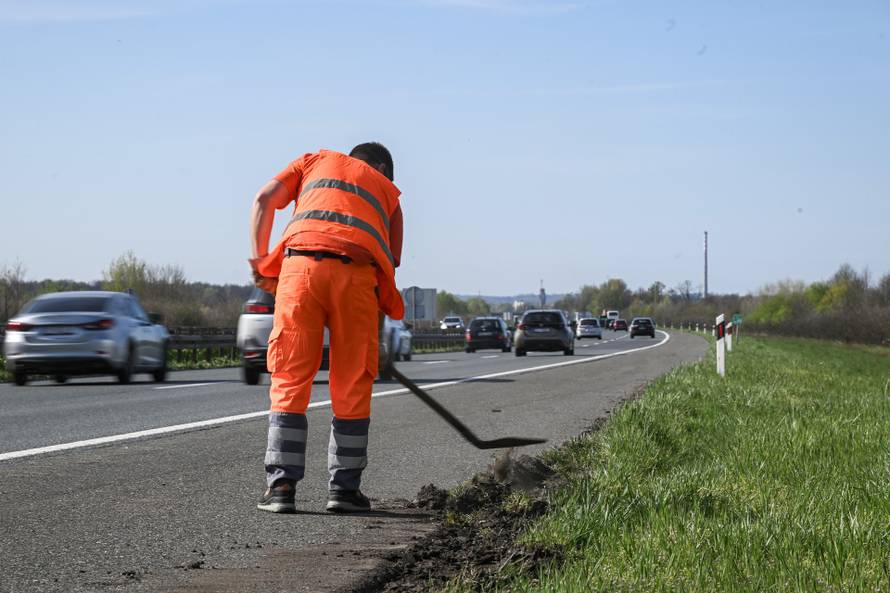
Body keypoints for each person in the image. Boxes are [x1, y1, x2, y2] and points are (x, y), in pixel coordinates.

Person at [248, 142, 404, 513]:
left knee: (290, 376)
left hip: (301, 269)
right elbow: (388, 269)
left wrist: (258, 260)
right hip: (356, 276)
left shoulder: (312, 162)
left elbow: (262, 200)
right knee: (352, 381)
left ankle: (282, 487)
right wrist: (376, 342)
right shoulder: (389, 194)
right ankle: (344, 492)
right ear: (382, 166)